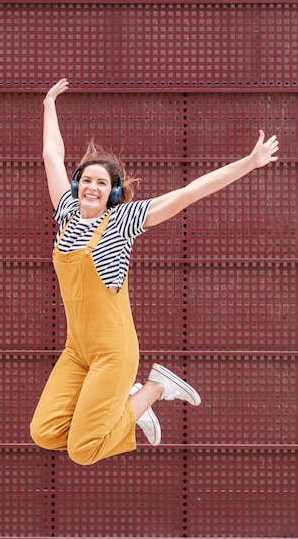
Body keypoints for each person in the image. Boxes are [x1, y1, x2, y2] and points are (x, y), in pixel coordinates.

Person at [30, 78, 279, 466]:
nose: (92, 187)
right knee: (44, 432)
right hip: (78, 350)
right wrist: (49, 104)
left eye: (102, 182)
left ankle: (156, 388)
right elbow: (51, 154)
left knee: (82, 451)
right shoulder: (65, 210)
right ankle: (126, 405)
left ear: (112, 192)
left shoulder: (123, 220)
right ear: (78, 186)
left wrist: (248, 163)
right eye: (87, 180)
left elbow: (189, 192)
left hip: (113, 352)